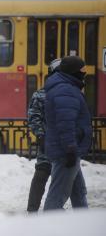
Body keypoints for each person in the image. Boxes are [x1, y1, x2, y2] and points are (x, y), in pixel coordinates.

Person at [43, 56, 92, 210]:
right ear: (73, 71)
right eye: (82, 70)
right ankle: (49, 228)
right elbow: (65, 124)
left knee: (79, 193)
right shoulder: (66, 90)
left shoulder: (65, 87)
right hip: (67, 150)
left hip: (68, 148)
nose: (84, 74)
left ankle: (83, 226)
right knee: (57, 197)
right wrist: (70, 148)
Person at [26, 58, 61, 212]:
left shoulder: (43, 94)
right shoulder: (41, 95)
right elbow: (34, 117)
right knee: (42, 173)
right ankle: (33, 210)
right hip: (49, 143)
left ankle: (52, 209)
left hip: (62, 143)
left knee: (64, 179)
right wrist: (41, 136)